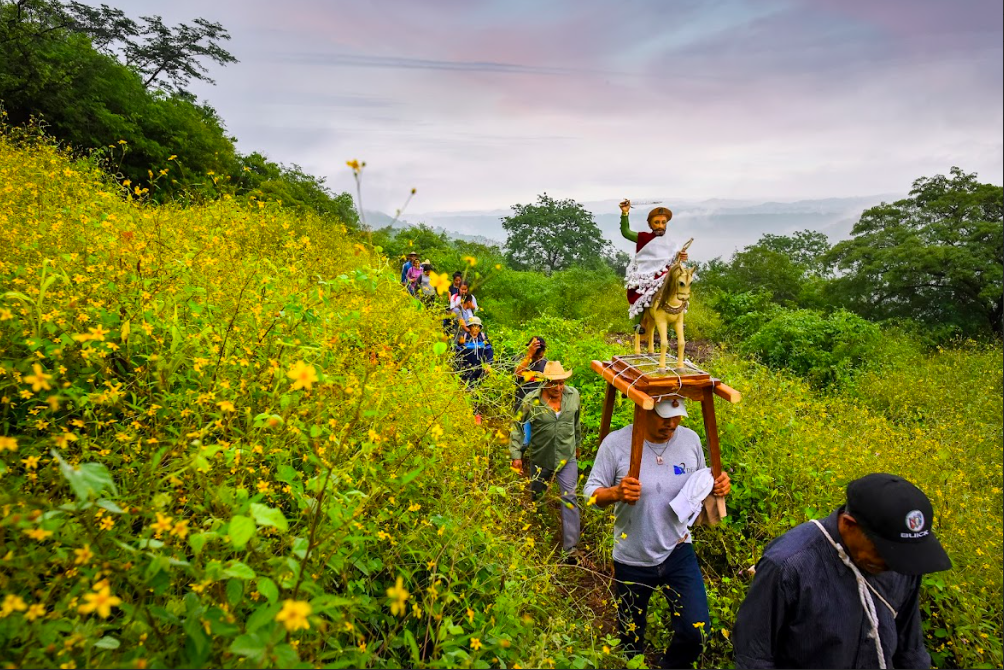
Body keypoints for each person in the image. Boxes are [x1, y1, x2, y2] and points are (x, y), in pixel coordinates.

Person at [732, 473, 952, 670]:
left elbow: (910, 649)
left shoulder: (902, 563)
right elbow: (754, 657)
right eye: (885, 552)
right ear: (849, 525)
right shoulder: (788, 566)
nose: (894, 565)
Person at [584, 397, 731, 668]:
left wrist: (716, 485)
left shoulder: (690, 440)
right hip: (633, 556)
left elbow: (699, 483)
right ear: (643, 411)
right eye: (664, 417)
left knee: (696, 632)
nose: (671, 424)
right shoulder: (616, 444)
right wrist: (616, 492)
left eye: (677, 417)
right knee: (631, 637)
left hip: (678, 549)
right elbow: (590, 495)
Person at [510, 361, 582, 562]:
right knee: (538, 495)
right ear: (544, 382)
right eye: (553, 383)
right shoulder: (531, 400)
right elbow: (517, 426)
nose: (558, 388)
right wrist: (516, 456)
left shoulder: (573, 396)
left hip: (566, 457)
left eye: (561, 383)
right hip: (541, 457)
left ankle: (570, 549)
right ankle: (538, 531)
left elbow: (576, 423)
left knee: (570, 498)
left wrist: (577, 445)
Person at [619, 199, 688, 334]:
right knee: (641, 294)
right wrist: (625, 213)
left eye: (663, 222)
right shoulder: (643, 237)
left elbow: (674, 258)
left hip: (665, 273)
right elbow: (626, 232)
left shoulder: (670, 242)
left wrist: (682, 256)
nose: (660, 226)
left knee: (682, 285)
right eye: (657, 222)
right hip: (647, 274)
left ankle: (678, 317)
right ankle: (638, 323)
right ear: (650, 224)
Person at [454, 316, 494, 386]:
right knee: (469, 387)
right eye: (474, 326)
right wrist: (460, 344)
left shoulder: (483, 337)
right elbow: (458, 354)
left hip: (481, 368)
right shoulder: (464, 337)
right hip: (467, 369)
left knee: (481, 387)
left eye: (478, 326)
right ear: (470, 327)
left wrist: (489, 364)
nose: (476, 328)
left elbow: (489, 351)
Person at [513, 336, 548, 409]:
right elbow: (517, 374)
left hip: (538, 403)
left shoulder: (546, 363)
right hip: (521, 402)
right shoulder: (521, 358)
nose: (537, 360)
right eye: (535, 357)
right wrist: (529, 355)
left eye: (540, 357)